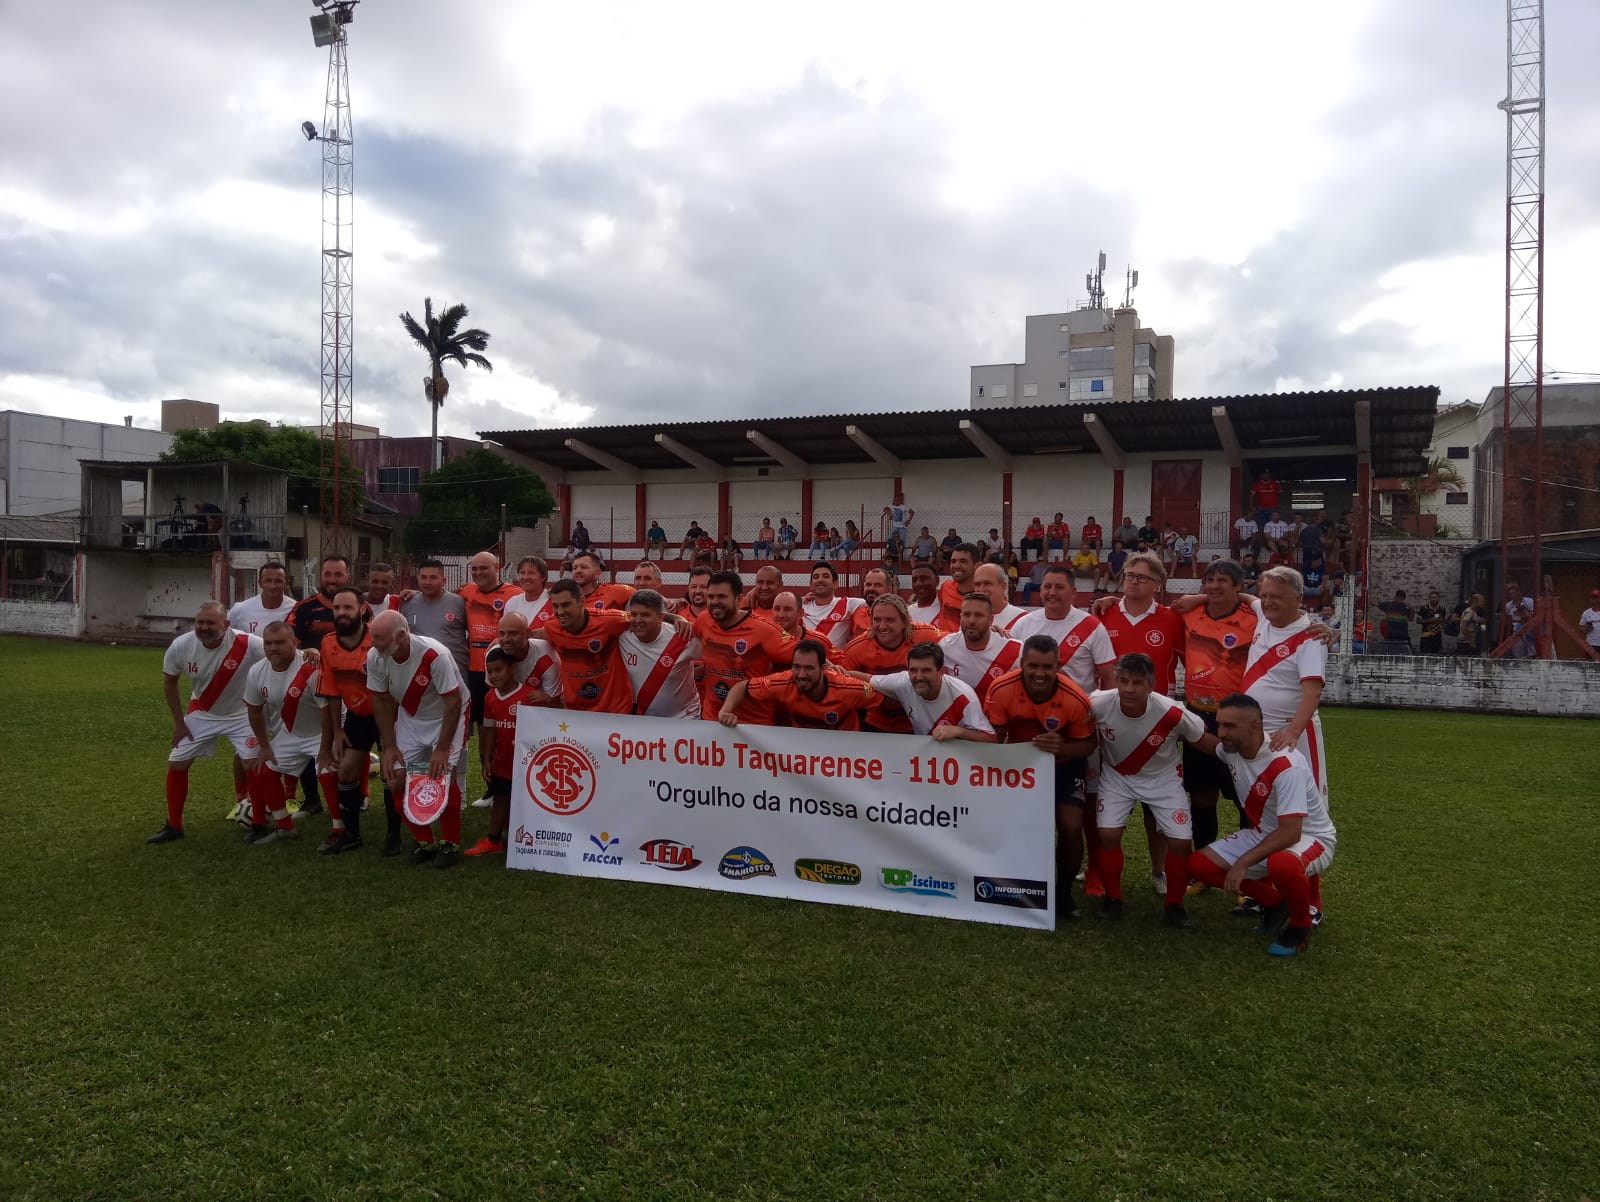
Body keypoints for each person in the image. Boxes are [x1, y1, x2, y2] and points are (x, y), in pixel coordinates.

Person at [1186, 694, 1336, 957]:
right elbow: (1209, 744)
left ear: (1256, 727)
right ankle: (1275, 903)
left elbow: (1292, 831)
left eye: (1230, 726)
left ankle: (1300, 926)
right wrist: (1174, 720)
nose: (1221, 733)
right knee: (1199, 865)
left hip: (1311, 837)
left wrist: (1242, 863)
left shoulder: (1285, 763)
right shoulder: (1234, 748)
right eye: (1220, 724)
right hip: (1264, 833)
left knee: (1283, 864)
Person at [1090, 653, 1217, 927]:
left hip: (1163, 779)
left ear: (1151, 685)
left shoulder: (1173, 711)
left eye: (1137, 683)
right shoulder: (1098, 703)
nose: (1128, 689)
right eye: (1123, 681)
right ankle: (1113, 899)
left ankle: (1175, 904)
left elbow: (1203, 740)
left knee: (1181, 842)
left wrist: (1241, 754)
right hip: (1117, 776)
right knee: (1108, 834)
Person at [984, 635, 1097, 920]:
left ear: (1058, 665)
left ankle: (1063, 891)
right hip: (1018, 766)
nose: (1040, 673)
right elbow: (993, 738)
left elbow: (1089, 744)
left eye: (1047, 667)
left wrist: (1065, 747)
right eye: (1033, 665)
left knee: (1071, 826)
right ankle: (1015, 885)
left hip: (1063, 764)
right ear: (1022, 663)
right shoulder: (1001, 689)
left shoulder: (1076, 700)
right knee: (1013, 825)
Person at [147, 602, 267, 844]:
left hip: (241, 713)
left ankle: (259, 824)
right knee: (177, 762)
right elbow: (170, 682)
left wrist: (308, 653)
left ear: (226, 625)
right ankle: (174, 826)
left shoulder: (249, 643)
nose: (204, 627)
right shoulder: (182, 645)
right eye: (200, 622)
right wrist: (180, 723)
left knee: (251, 763)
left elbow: (280, 653)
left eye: (211, 622)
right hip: (203, 711)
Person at [367, 610, 467, 867]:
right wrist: (388, 746)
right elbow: (380, 700)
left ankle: (450, 844)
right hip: (411, 717)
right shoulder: (376, 656)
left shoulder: (435, 655)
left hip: (447, 714)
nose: (373, 644)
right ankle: (425, 841)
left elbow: (453, 702)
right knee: (395, 779)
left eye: (380, 638)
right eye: (372, 637)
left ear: (401, 636)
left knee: (443, 774)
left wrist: (442, 748)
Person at [317, 587, 391, 856]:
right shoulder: (327, 643)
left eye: (347, 607)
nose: (341, 613)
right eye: (337, 608)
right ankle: (350, 834)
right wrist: (337, 731)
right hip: (357, 717)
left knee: (390, 773)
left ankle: (393, 835)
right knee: (346, 771)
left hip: (388, 716)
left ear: (362, 609)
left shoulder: (379, 638)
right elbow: (331, 692)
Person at [241, 620, 327, 845]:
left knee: (330, 773)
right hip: (292, 733)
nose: (273, 647)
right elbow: (254, 710)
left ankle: (342, 827)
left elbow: (329, 710)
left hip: (322, 732)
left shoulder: (311, 665)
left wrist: (331, 744)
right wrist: (265, 747)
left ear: (294, 643)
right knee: (262, 770)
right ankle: (284, 826)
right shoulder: (257, 671)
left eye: (279, 642)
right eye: (268, 643)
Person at [1247, 568, 1329, 798]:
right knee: (1270, 799)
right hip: (1261, 732)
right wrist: (1196, 597)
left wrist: (1293, 732)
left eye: (1276, 597)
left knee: (1307, 798)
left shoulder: (1311, 637)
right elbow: (1245, 597)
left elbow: (1312, 692)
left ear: (1298, 598)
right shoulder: (1263, 615)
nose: (1267, 602)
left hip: (1293, 734)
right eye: (1264, 595)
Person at [465, 647, 543, 860]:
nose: (494, 676)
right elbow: (489, 729)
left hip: (529, 763)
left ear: (512, 669)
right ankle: (493, 839)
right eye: (489, 671)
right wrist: (487, 757)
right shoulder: (490, 697)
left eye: (498, 670)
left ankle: (533, 839)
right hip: (502, 760)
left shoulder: (529, 695)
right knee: (500, 799)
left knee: (531, 800)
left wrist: (548, 699)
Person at [693, 570, 796, 724]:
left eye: (721, 596)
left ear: (739, 599)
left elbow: (804, 653)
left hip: (753, 725)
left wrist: (831, 666)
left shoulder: (765, 630)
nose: (715, 602)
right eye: (711, 596)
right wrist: (673, 616)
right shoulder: (703, 620)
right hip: (712, 719)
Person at [838, 594, 944, 733]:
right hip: (876, 723)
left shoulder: (928, 635)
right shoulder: (856, 649)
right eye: (877, 620)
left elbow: (958, 644)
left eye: (889, 620)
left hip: (923, 720)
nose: (882, 626)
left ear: (905, 621)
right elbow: (839, 683)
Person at [720, 638, 880, 730]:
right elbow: (742, 687)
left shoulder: (848, 688)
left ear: (823, 668)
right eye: (797, 667)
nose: (801, 675)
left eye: (809, 668)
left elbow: (886, 699)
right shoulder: (784, 682)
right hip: (803, 755)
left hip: (844, 759)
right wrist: (725, 712)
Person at [1009, 565, 1117, 693]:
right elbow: (1012, 671)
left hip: (1078, 708)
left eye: (1059, 587)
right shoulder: (1023, 624)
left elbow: (1109, 677)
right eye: (1047, 586)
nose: (1052, 592)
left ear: (1073, 592)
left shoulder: (1092, 626)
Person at [867, 642, 996, 741]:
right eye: (913, 670)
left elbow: (991, 738)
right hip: (925, 758)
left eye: (926, 670)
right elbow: (867, 679)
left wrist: (958, 731)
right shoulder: (903, 681)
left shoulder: (963, 696)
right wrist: (846, 675)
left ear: (941, 672)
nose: (918, 677)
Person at [540, 579, 636, 714]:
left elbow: (640, 617)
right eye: (555, 606)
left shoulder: (608, 620)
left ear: (581, 602)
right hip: (576, 712)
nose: (560, 611)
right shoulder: (551, 627)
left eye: (566, 605)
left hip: (615, 711)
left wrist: (674, 618)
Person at [459, 551, 522, 737]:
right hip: (474, 668)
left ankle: (507, 760)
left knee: (507, 720)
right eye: (475, 569)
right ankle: (486, 764)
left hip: (504, 667)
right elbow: (441, 597)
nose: (478, 573)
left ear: (496, 568)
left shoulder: (515, 594)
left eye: (483, 568)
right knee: (482, 722)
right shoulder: (467, 591)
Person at [620, 589, 703, 719]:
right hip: (644, 721)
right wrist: (675, 616)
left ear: (660, 617)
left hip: (684, 718)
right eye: (634, 614)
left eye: (645, 615)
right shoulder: (622, 636)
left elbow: (718, 658)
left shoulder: (682, 636)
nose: (637, 620)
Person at [938, 592, 1021, 705]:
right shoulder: (945, 646)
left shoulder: (1016, 650)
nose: (971, 621)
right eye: (967, 614)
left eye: (978, 615)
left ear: (991, 620)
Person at [290, 554, 360, 653]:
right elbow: (289, 648)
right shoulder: (302, 608)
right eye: (327, 574)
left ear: (348, 578)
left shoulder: (362, 608)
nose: (332, 580)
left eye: (338, 575)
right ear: (321, 576)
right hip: (315, 668)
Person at [802, 561, 866, 650]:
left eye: (826, 576)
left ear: (835, 584)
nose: (820, 580)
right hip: (806, 661)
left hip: (835, 662)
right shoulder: (801, 606)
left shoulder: (848, 604)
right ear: (811, 585)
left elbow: (875, 602)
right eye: (816, 577)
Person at [228, 561, 295, 634]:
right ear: (260, 583)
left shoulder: (296, 609)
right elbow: (225, 636)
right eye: (268, 581)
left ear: (287, 583)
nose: (273, 586)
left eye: (278, 581)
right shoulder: (240, 610)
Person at [935, 543, 980, 632]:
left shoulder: (984, 596)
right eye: (953, 561)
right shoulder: (946, 587)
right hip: (944, 644)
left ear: (977, 566)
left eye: (963, 561)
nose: (956, 566)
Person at [974, 562, 1029, 632]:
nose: (981, 589)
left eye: (987, 583)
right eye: (977, 584)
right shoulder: (969, 619)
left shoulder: (1024, 619)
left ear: (1003, 586)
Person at [504, 555, 555, 627]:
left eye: (531, 573)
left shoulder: (553, 601)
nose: (525, 577)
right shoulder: (512, 602)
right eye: (522, 573)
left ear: (543, 577)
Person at [848, 568, 895, 639]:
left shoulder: (899, 616)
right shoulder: (856, 614)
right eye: (868, 584)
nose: (871, 588)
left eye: (878, 585)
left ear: (889, 589)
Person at [1502, 581, 1536, 657]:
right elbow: (1509, 622)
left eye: (1514, 593)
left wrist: (1525, 613)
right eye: (1510, 594)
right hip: (1517, 633)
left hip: (1530, 631)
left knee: (1532, 654)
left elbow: (1534, 617)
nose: (1512, 595)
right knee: (1518, 655)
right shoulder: (1508, 606)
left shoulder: (1529, 601)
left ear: (1519, 592)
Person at [904, 562, 941, 627]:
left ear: (936, 581)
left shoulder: (947, 609)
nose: (919, 583)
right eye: (914, 580)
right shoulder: (906, 613)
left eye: (924, 578)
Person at [1454, 592, 1485, 657]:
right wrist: (1471, 641)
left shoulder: (1474, 612)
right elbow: (1463, 626)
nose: (1483, 602)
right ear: (1475, 601)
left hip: (1468, 642)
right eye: (1481, 601)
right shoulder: (1469, 612)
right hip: (1465, 643)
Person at [1417, 590, 1447, 654]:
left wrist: (1442, 622)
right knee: (1425, 655)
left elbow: (1444, 621)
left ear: (1438, 598)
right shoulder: (1424, 608)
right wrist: (1430, 620)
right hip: (1426, 636)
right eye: (1431, 598)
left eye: (1435, 597)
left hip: (1437, 637)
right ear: (1429, 598)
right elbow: (1418, 620)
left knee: (1437, 656)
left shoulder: (1442, 609)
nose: (1433, 599)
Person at [1580, 589, 1600, 656]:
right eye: (1593, 598)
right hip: (1591, 645)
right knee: (1590, 665)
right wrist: (1587, 628)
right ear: (1590, 600)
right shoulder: (1586, 613)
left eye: (1597, 598)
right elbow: (1580, 627)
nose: (1595, 601)